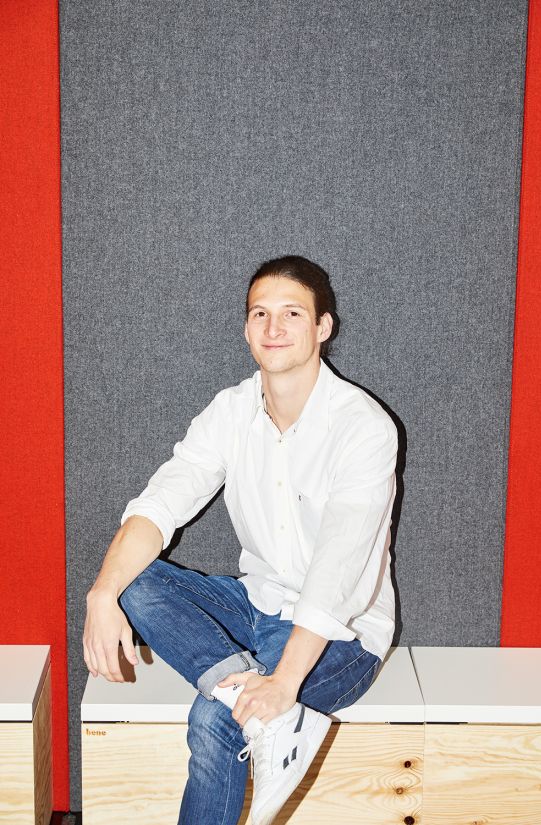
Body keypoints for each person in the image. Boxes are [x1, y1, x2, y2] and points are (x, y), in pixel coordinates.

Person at [83, 255, 398, 825]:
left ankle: (247, 705)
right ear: (247, 326)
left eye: (292, 313)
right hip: (257, 604)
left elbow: (336, 574)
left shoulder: (362, 428)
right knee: (134, 579)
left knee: (213, 722)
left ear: (323, 327)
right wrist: (101, 594)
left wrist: (284, 684)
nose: (273, 328)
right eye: (260, 313)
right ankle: (253, 707)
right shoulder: (230, 411)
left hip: (343, 636)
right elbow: (159, 505)